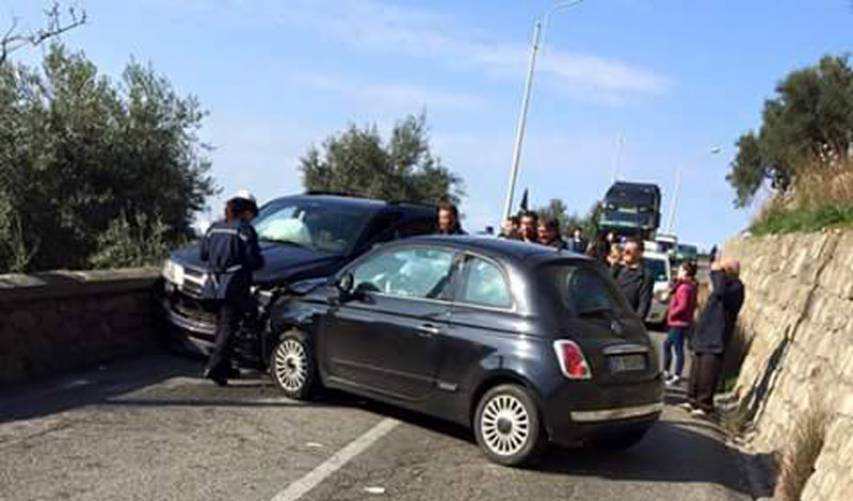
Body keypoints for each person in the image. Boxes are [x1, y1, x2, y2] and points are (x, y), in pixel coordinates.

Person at [200, 191, 265, 386]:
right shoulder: (244, 230)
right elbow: (254, 260)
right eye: (252, 215)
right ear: (246, 212)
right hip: (234, 285)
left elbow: (203, 254)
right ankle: (215, 366)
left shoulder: (213, 228)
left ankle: (224, 367)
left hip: (212, 284)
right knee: (229, 327)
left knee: (221, 326)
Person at [685, 258, 745, 417]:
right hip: (705, 333)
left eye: (723, 272)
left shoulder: (736, 287)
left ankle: (705, 405)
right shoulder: (725, 285)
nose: (719, 276)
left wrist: (717, 271)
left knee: (708, 373)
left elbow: (720, 292)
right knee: (697, 370)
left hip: (717, 336)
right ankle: (693, 400)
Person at [663, 261, 699, 386]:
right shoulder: (690, 286)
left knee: (677, 349)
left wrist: (672, 312)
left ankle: (676, 375)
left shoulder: (685, 288)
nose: (677, 272)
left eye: (680, 270)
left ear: (685, 272)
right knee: (667, 345)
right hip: (681, 322)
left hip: (679, 322)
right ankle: (667, 371)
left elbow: (683, 306)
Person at [615, 237, 654, 319]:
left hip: (626, 321)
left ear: (639, 253)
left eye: (629, 252)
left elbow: (644, 304)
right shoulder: (617, 270)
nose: (625, 253)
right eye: (624, 250)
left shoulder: (644, 276)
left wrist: (635, 324)